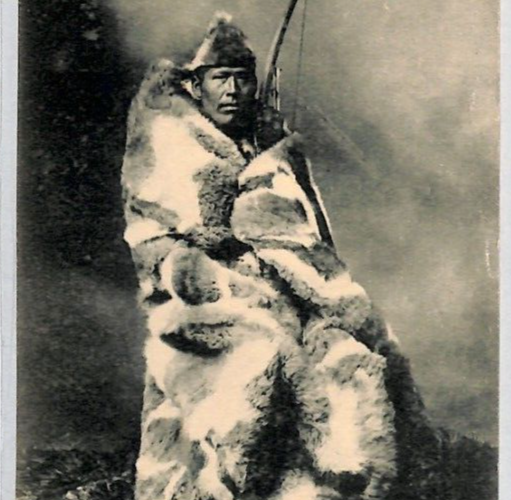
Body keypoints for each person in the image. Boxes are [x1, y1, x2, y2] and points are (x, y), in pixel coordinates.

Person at [122, 13, 440, 500]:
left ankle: (330, 480)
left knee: (347, 354)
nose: (232, 90)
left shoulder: (267, 141)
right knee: (256, 361)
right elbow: (154, 238)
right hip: (201, 301)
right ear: (195, 86)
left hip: (279, 289)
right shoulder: (167, 142)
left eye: (242, 78)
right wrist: (203, 274)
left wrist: (273, 161)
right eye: (219, 78)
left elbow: (303, 230)